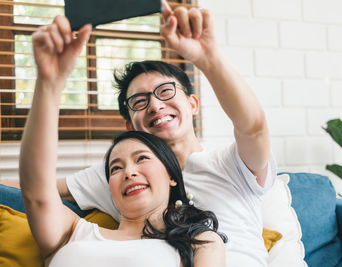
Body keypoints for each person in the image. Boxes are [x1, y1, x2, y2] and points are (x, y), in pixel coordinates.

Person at [7, 1, 277, 266]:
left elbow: (253, 129)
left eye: (166, 91)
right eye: (139, 101)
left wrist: (208, 58)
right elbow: (37, 190)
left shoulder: (228, 169)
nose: (156, 105)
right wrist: (49, 82)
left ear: (193, 104)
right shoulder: (112, 181)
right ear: (130, 126)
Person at [19, 52, 226, 265]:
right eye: (116, 168)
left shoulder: (200, 242)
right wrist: (48, 84)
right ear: (109, 186)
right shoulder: (71, 232)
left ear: (172, 175)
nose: (129, 172)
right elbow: (36, 191)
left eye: (142, 158)